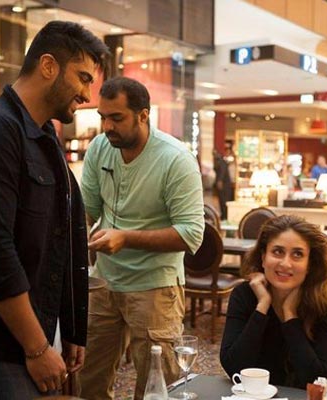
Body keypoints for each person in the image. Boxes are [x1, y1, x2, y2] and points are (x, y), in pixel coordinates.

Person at [0, 21, 109, 399]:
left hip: (29, 338)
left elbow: (59, 237)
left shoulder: (43, 135)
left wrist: (70, 328)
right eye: (82, 78)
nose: (86, 94)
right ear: (48, 66)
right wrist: (37, 347)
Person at [77, 76, 204, 400]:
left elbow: (191, 234)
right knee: (88, 380)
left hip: (155, 288)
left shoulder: (175, 159)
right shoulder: (100, 148)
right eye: (103, 117)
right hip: (103, 282)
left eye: (117, 118)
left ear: (143, 115)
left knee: (156, 387)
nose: (107, 126)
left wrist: (126, 238)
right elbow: (87, 211)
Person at [220, 215, 327, 389]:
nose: (286, 263)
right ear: (263, 257)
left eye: (297, 254)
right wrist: (262, 306)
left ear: (309, 264)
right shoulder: (244, 295)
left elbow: (316, 377)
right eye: (277, 252)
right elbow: (233, 367)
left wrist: (290, 316)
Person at [213, 149, 232, 220]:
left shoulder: (221, 162)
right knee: (222, 201)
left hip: (225, 186)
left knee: (224, 201)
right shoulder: (219, 161)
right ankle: (223, 215)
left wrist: (219, 181)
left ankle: (225, 216)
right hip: (224, 185)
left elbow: (222, 172)